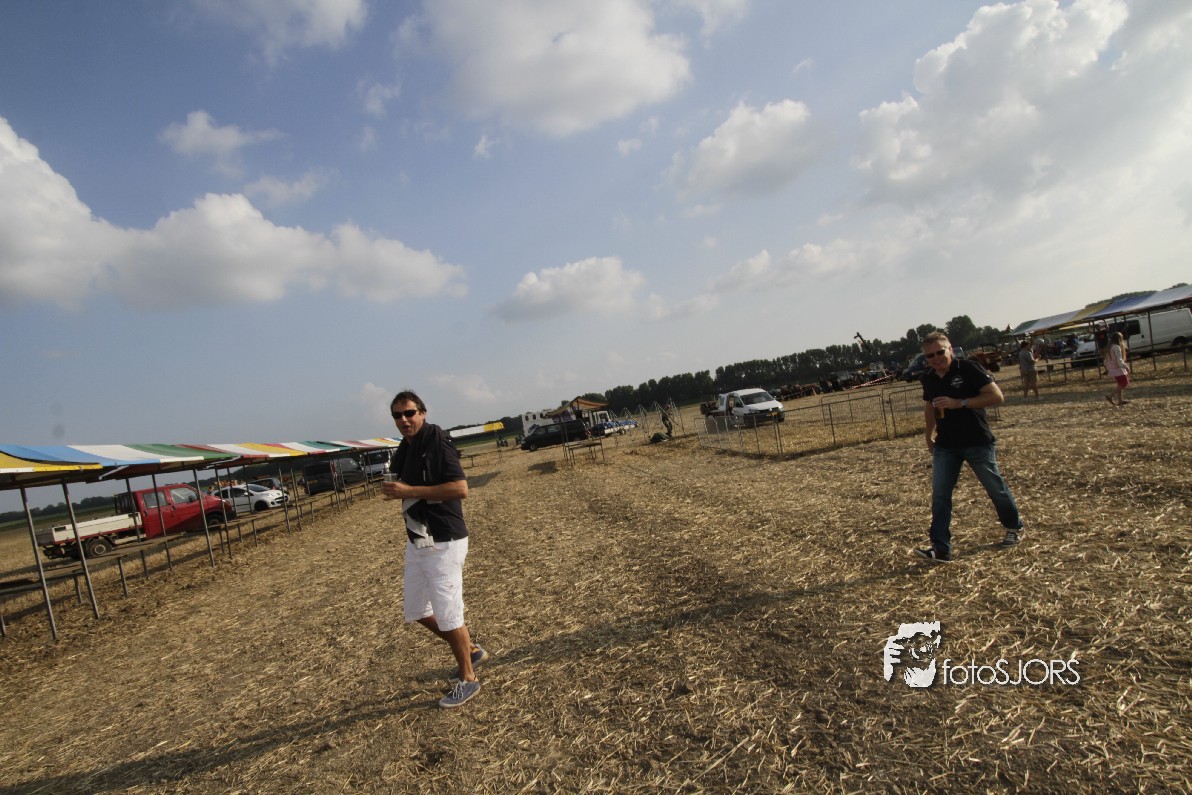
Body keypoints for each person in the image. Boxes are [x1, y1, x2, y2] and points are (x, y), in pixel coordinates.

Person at [383, 389, 487, 708]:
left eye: (409, 413)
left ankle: (468, 678)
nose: (403, 420)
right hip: (418, 539)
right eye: (397, 415)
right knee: (416, 610)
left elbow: (460, 488)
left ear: (423, 413)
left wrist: (410, 490)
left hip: (444, 540)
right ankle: (470, 649)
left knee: (448, 613)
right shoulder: (405, 447)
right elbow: (400, 481)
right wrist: (395, 488)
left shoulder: (437, 441)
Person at [916, 331, 1024, 562]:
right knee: (940, 495)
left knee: (995, 488)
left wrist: (960, 403)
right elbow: (930, 407)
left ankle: (1013, 527)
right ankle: (941, 548)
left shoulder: (968, 368)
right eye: (929, 356)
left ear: (950, 349)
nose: (935, 358)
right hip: (946, 445)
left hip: (976, 441)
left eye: (939, 352)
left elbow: (996, 396)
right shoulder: (929, 377)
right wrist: (928, 435)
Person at [1103, 331, 1130, 407]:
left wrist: (1109, 368)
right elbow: (1119, 360)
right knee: (1124, 383)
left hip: (1113, 369)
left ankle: (1120, 400)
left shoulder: (1109, 347)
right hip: (1118, 368)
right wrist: (1125, 366)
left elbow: (1105, 361)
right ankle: (1110, 396)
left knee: (1120, 384)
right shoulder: (1116, 347)